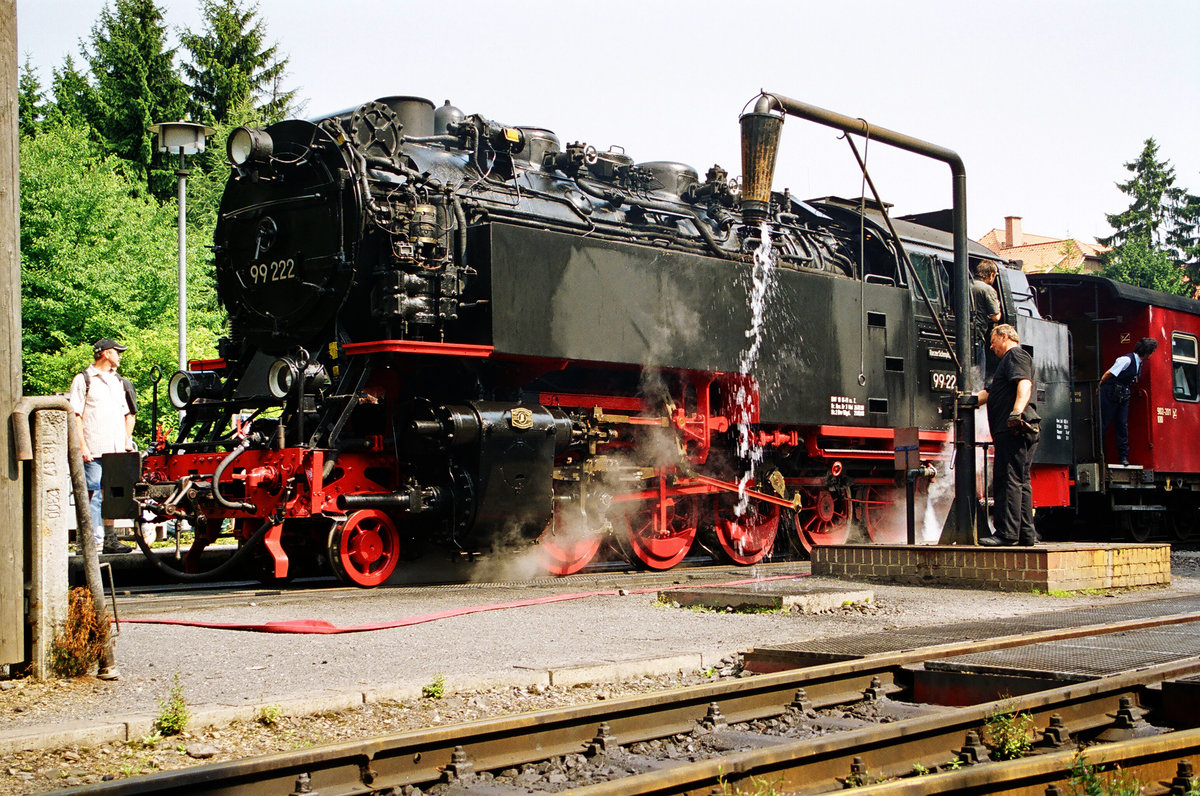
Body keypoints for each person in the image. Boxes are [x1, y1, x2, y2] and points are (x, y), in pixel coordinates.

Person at [973, 324, 1039, 546]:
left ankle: (1006, 534)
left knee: (1008, 479)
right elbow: (989, 393)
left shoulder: (1015, 355)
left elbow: (1025, 383)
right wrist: (967, 401)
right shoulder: (1006, 364)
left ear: (1004, 336)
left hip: (1014, 428)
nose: (991, 347)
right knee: (1021, 480)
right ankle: (1026, 534)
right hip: (1013, 429)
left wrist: (1016, 412)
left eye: (992, 342)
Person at [68, 338, 137, 554]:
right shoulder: (84, 379)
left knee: (110, 496)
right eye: (118, 352)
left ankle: (109, 540)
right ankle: (87, 541)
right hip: (94, 449)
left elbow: (127, 414)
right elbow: (75, 416)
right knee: (92, 494)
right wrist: (82, 447)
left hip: (115, 451)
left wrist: (127, 441)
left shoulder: (118, 381)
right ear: (106, 353)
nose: (120, 356)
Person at [1098, 337, 1158, 466]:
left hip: (1123, 394)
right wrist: (1099, 386)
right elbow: (1109, 373)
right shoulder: (1126, 360)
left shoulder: (1139, 362)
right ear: (1148, 352)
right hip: (1110, 392)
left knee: (1122, 424)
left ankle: (1123, 456)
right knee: (1104, 422)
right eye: (1153, 351)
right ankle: (1096, 453)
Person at [971, 261, 1002, 374]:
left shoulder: (964, 285)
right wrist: (997, 307)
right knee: (979, 373)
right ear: (991, 274)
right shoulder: (987, 289)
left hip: (961, 335)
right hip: (977, 335)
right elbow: (995, 317)